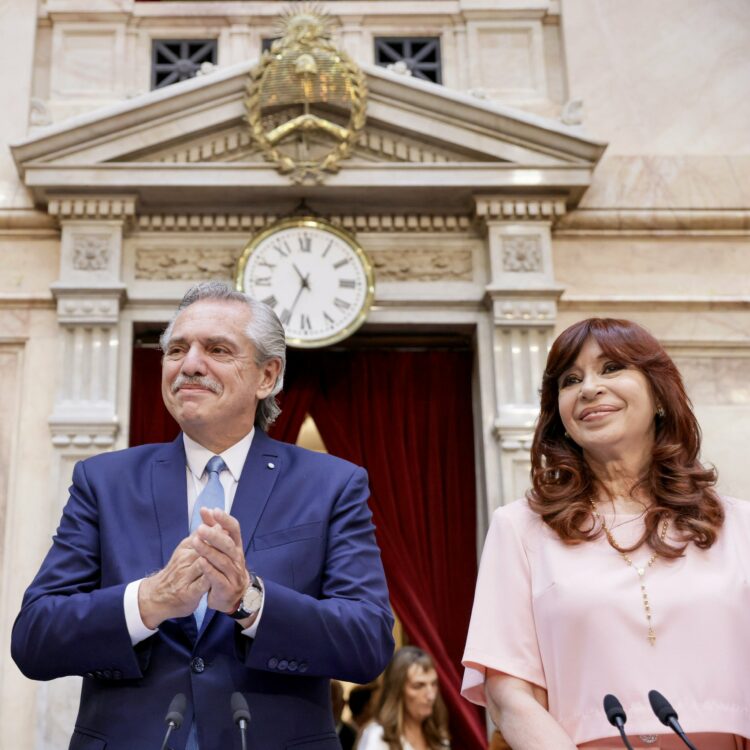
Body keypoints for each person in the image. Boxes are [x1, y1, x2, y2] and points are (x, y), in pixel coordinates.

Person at [12, 281, 394, 750]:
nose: (190, 364)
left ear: (266, 376)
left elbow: (367, 643)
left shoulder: (332, 485)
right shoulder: (103, 482)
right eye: (176, 349)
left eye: (217, 349)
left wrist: (249, 600)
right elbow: (34, 638)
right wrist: (148, 601)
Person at [462, 318, 750, 749]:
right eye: (570, 380)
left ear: (658, 394)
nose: (589, 388)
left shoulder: (738, 525)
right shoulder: (518, 529)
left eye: (612, 368)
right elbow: (509, 694)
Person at [358, 646, 450, 750]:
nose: (431, 695)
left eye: (433, 684)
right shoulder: (379, 737)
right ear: (397, 691)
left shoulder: (438, 735)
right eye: (418, 686)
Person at [331, 679, 358, 750]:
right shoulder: (313, 733)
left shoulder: (353, 737)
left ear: (343, 704)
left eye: (332, 699)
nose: (329, 705)